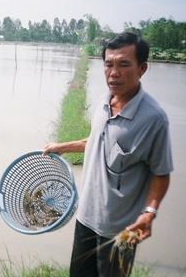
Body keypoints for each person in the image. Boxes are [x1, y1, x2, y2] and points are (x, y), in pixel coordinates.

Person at [43, 32, 173, 277]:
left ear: (142, 68)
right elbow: (97, 142)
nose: (114, 72)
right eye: (108, 64)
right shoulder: (104, 102)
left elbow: (161, 171)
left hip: (119, 229)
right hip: (86, 218)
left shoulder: (154, 119)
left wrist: (150, 212)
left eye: (123, 64)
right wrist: (62, 146)